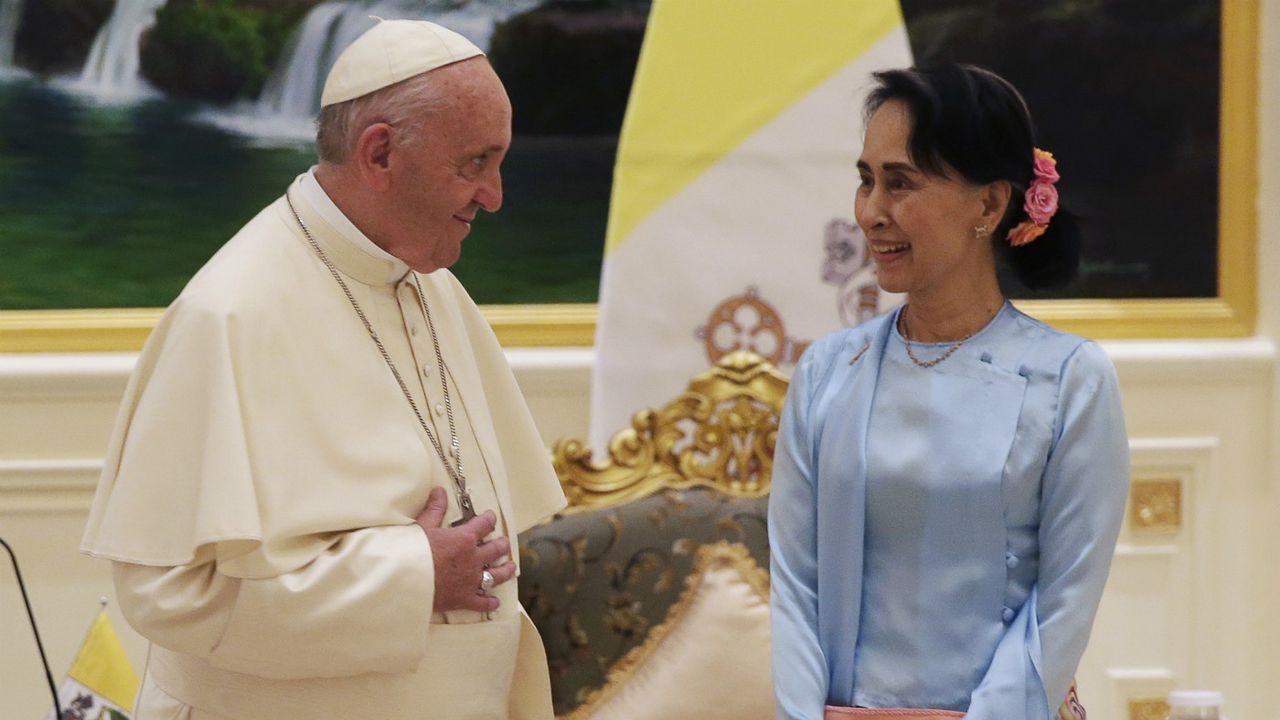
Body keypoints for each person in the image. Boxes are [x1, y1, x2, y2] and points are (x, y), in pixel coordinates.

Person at [80, 19, 566, 720]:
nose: (494, 195)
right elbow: (169, 592)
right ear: (379, 154)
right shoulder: (230, 314)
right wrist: (413, 576)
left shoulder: (427, 281)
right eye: (474, 164)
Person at [768, 64, 1129, 720]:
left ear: (989, 205)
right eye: (865, 180)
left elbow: (1064, 603)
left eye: (900, 184)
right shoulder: (826, 371)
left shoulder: (1071, 381)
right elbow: (794, 588)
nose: (870, 213)